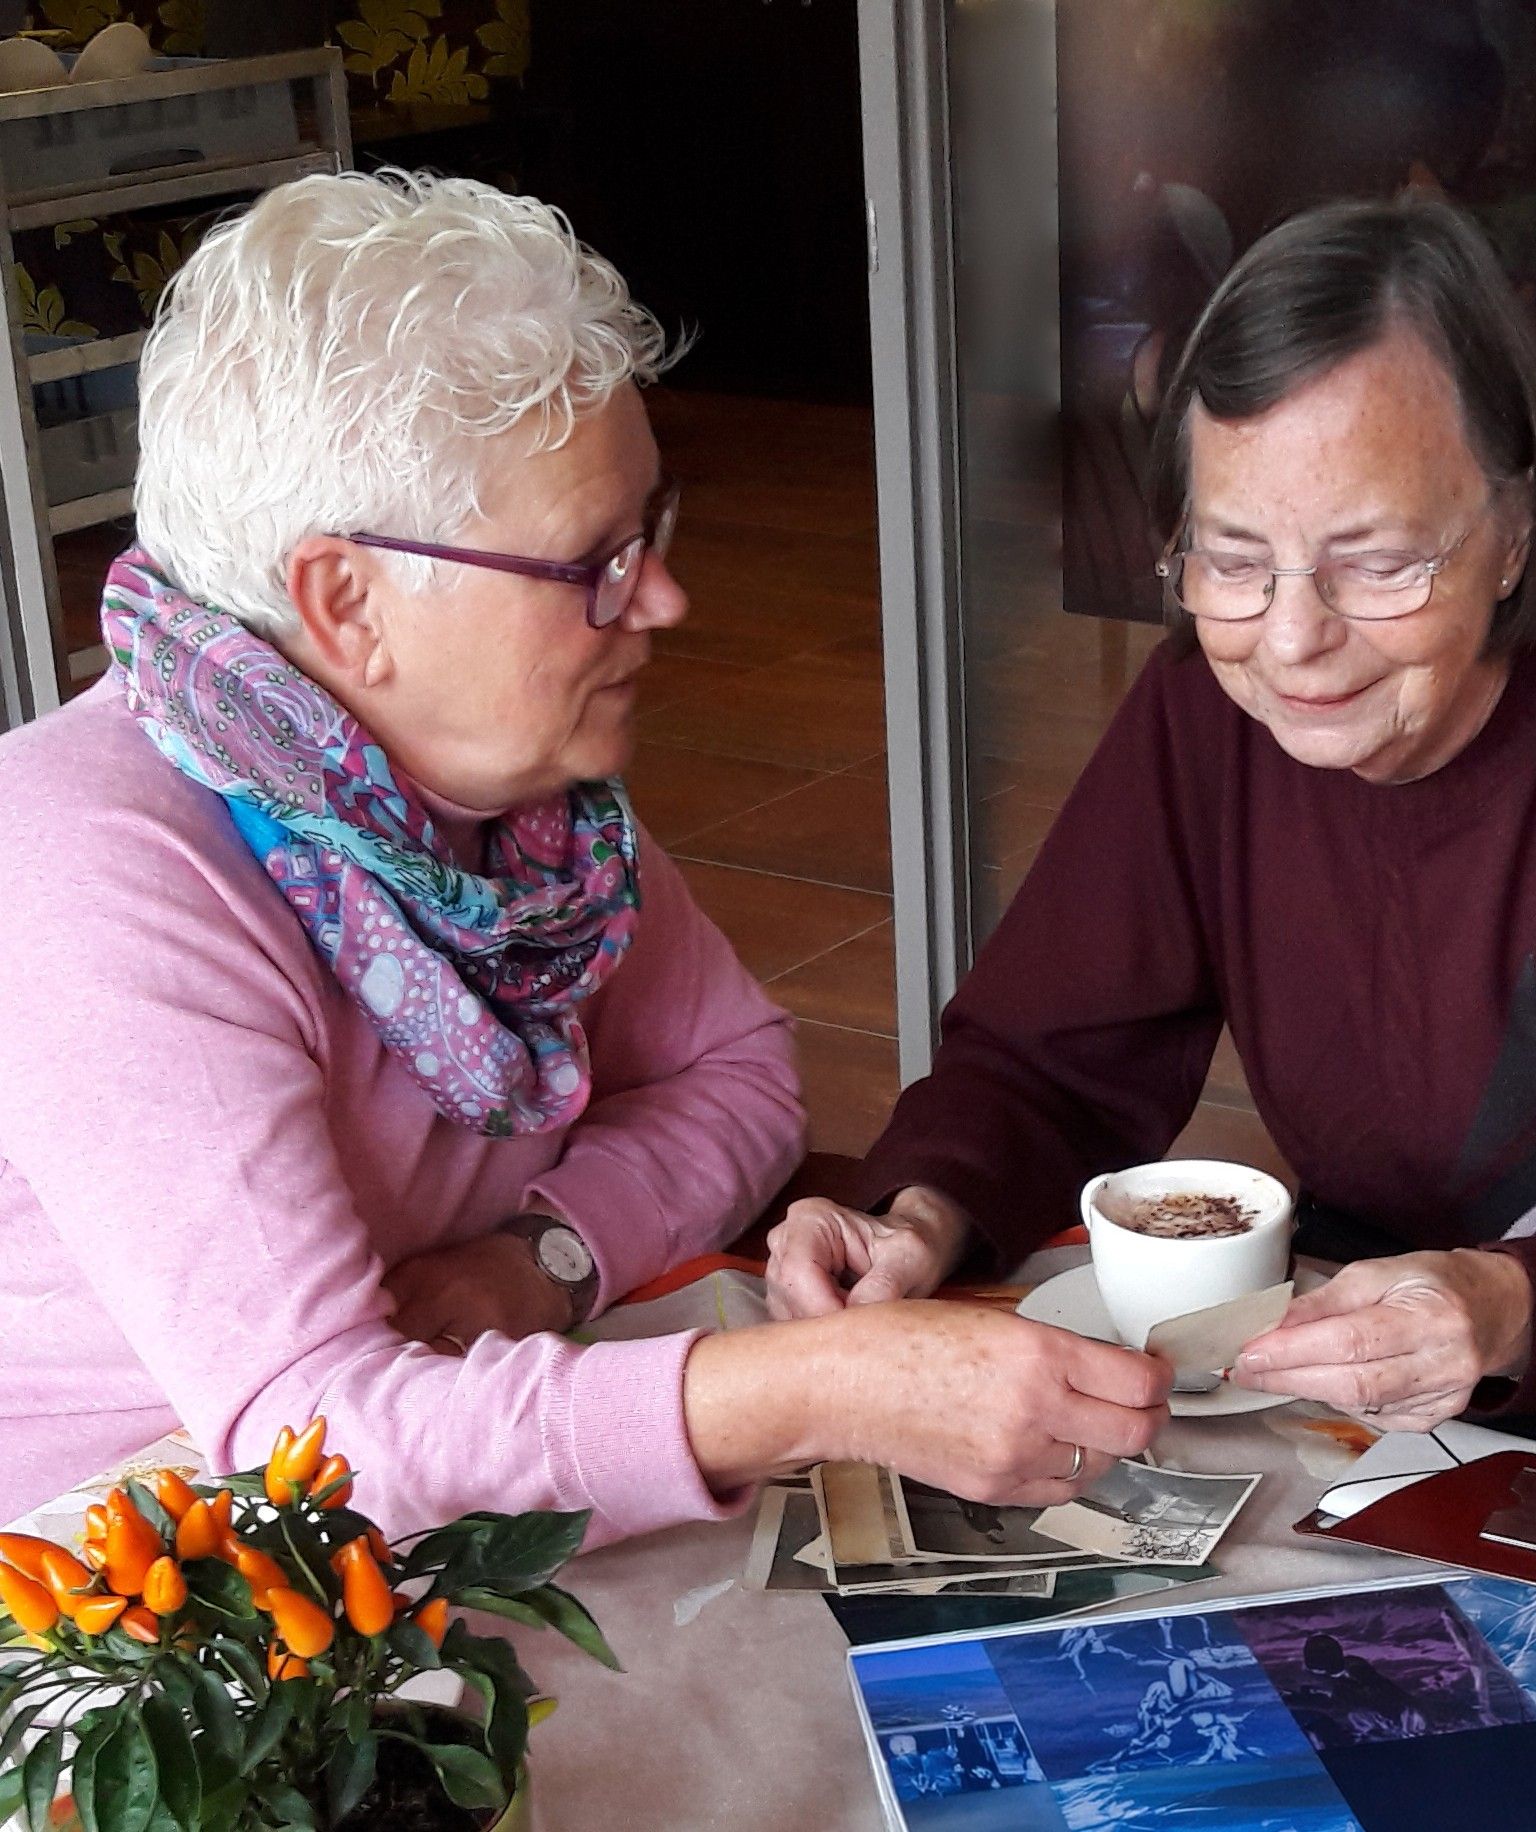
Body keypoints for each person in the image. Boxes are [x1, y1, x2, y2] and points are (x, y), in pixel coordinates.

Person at [0, 170, 1170, 1536]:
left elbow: (739, 1074)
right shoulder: (89, 869)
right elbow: (315, 1446)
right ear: (346, 600)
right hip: (130, 1586)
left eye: (649, 531)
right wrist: (813, 1390)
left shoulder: (514, 812)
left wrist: (540, 1260)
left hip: (440, 1509)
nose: (662, 597)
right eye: (593, 561)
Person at [768, 193, 1536, 1431]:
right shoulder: (1206, 708)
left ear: (1513, 530)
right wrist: (922, 1210)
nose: (1288, 641)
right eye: (1230, 559)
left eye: (1373, 562)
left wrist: (1502, 1303)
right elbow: (1046, 1061)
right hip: (1339, 1369)